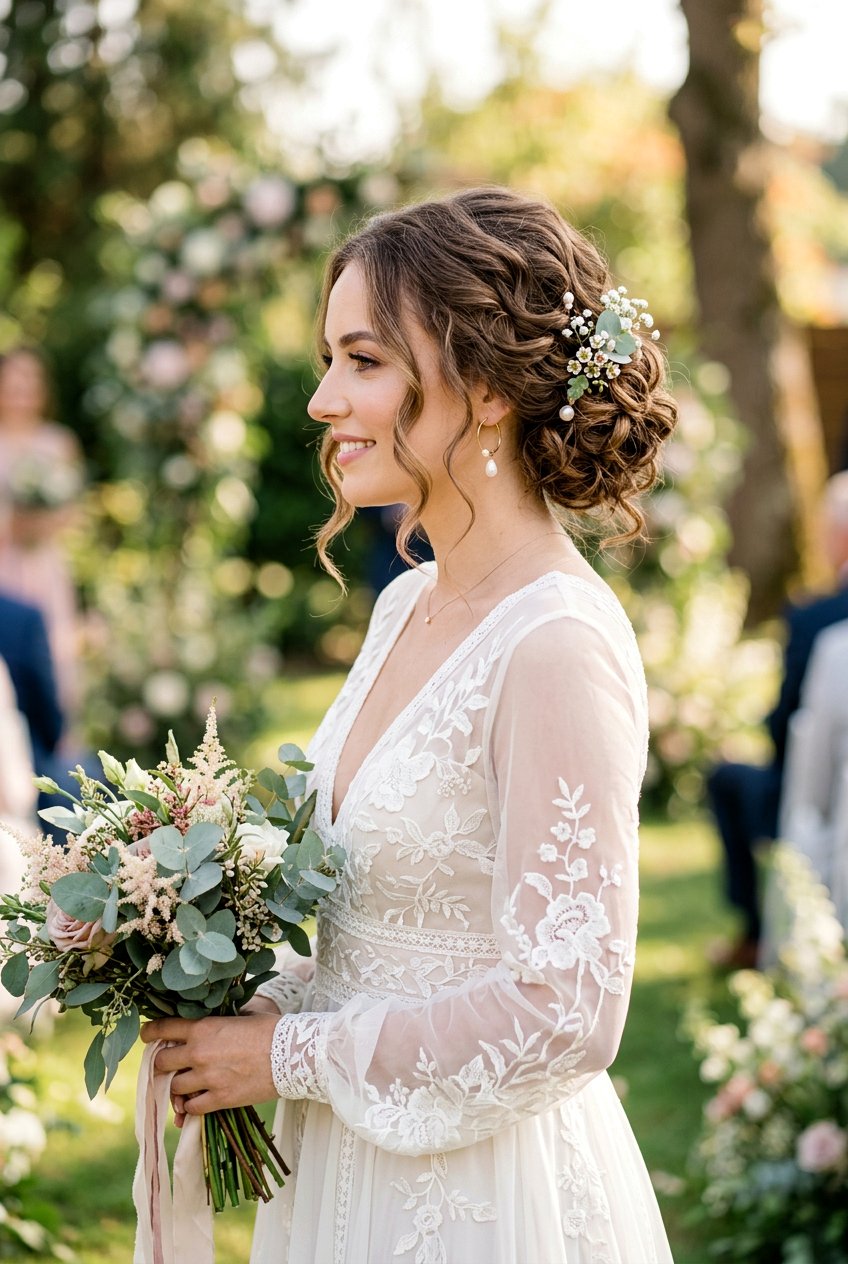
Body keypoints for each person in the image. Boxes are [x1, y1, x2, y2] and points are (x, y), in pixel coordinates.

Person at [142, 187, 677, 1263]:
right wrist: (210, 990)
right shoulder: (402, 606)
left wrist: (288, 1058)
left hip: (481, 1199)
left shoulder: (554, 644)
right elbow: (383, 938)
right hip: (348, 1166)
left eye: (363, 360)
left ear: (481, 387)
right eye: (331, 359)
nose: (321, 399)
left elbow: (568, 1007)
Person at [707, 470, 848, 969]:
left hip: (813, 792)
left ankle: (752, 930)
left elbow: (787, 727)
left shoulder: (814, 618)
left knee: (726, 777)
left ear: (839, 537)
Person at [0, 346, 84, 716]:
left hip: (45, 568)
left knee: (54, 658)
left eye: (32, 379)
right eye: (15, 378)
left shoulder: (59, 442)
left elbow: (73, 512)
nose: (23, 388)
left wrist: (37, 526)